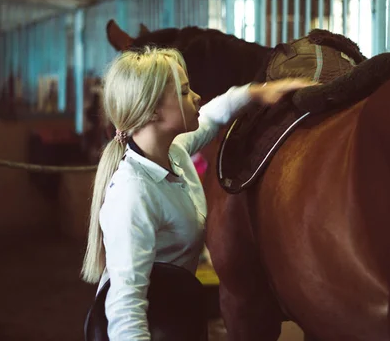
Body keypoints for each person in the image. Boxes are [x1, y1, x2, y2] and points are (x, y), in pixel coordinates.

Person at [81, 46, 312, 340]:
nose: (197, 97)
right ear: (152, 109)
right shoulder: (132, 194)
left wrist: (257, 93)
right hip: (153, 326)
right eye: (185, 91)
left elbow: (211, 117)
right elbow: (125, 308)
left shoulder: (172, 152)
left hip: (175, 315)